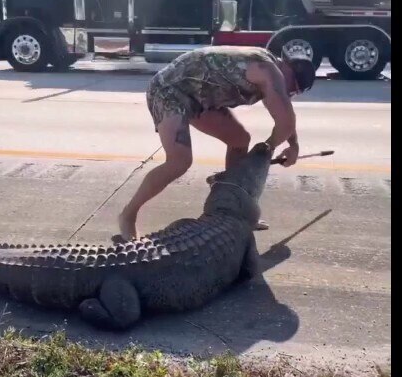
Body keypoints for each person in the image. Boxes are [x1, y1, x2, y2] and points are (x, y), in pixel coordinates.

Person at [117, 45, 316, 240]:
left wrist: (293, 144)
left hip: (200, 99)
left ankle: (234, 208)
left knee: (239, 140)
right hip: (170, 91)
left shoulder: (273, 74)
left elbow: (284, 114)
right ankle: (128, 215)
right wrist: (265, 151)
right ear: (288, 70)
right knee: (179, 161)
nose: (290, 93)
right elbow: (286, 120)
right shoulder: (268, 71)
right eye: (294, 89)